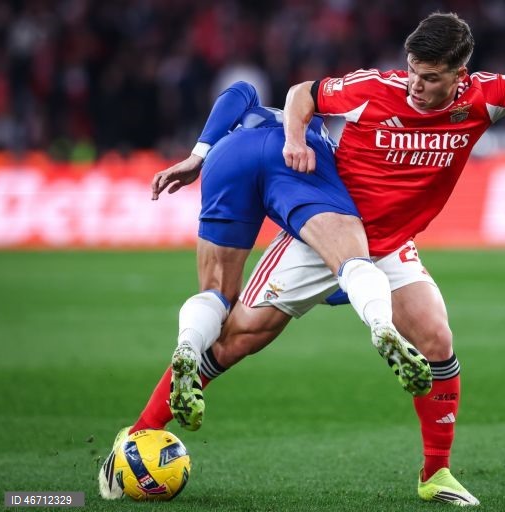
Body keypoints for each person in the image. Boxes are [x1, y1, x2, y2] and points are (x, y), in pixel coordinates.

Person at [102, 13, 505, 506]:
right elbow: (300, 94)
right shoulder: (371, 89)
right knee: (236, 338)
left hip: (391, 246)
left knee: (436, 339)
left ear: (459, 73)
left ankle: (436, 475)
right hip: (322, 234)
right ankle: (140, 430)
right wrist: (293, 139)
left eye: (429, 77)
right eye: (412, 72)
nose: (415, 84)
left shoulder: (483, 99)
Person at [97, 81, 432, 499]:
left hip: (227, 156)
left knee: (217, 293)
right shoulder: (326, 132)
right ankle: (382, 326)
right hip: (296, 164)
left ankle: (186, 346)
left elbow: (238, 90)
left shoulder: (257, 109)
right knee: (353, 262)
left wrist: (196, 156)